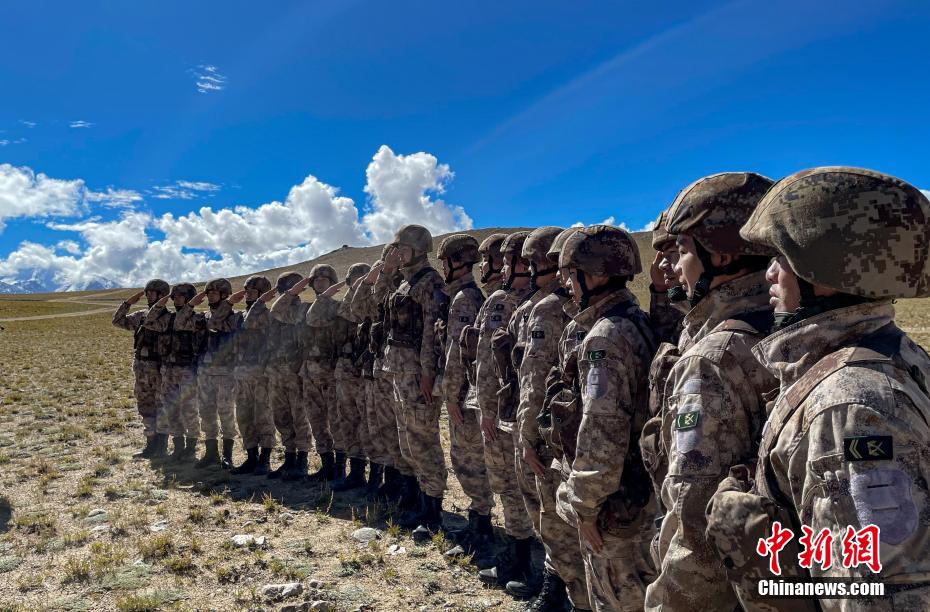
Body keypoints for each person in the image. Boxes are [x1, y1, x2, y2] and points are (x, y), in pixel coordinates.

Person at [706, 166, 930, 611]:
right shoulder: (897, 351)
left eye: (781, 258)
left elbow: (871, 594)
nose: (769, 275)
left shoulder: (847, 405)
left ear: (824, 270)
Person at [645, 172, 778, 611]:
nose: (674, 266)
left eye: (683, 250)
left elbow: (694, 523)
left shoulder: (712, 357)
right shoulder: (793, 327)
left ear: (720, 255)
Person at [553, 225, 658, 611]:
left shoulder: (604, 338)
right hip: (637, 492)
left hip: (613, 504)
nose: (565, 282)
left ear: (595, 275)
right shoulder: (636, 319)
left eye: (571, 272)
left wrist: (585, 508)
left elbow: (602, 431)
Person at [515, 227, 592, 610]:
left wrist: (527, 435)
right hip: (573, 430)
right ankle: (561, 588)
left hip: (552, 431)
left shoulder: (548, 309)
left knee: (554, 516)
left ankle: (564, 594)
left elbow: (534, 378)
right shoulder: (581, 307)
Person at [476, 230, 538, 589]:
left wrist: (490, 408)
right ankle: (518, 552)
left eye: (504, 262)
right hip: (505, 409)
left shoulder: (532, 306)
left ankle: (524, 561)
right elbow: (487, 360)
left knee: (519, 487)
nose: (497, 268)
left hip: (515, 413)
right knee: (510, 484)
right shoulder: (511, 301)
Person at [381, 225, 449, 536]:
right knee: (406, 440)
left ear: (420, 250)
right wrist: (387, 271)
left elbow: (432, 333)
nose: (399, 254)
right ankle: (414, 500)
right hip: (399, 371)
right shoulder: (404, 283)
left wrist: (427, 373)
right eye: (397, 249)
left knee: (423, 441)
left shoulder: (430, 282)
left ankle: (432, 511)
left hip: (417, 373)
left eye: (404, 250)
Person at [435, 233, 496, 562]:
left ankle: (481, 529)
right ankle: (479, 521)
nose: (442, 268)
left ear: (457, 262)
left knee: (468, 461)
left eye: (445, 262)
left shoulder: (464, 299)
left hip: (464, 394)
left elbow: (457, 353)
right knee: (468, 460)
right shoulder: (466, 295)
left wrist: (451, 394)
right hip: (468, 391)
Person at [348, 248, 417, 503]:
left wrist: (388, 273)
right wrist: (374, 276)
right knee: (380, 428)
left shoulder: (408, 287)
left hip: (400, 368)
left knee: (400, 430)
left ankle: (407, 486)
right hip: (376, 367)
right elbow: (356, 308)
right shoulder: (380, 291)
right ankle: (389, 480)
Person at [112, 279, 171, 458]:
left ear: (162, 295)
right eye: (147, 292)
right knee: (145, 406)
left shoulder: (169, 318)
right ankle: (150, 445)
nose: (148, 296)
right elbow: (117, 321)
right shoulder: (140, 315)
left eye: (152, 293)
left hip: (159, 369)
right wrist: (128, 303)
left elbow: (153, 323)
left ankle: (161, 447)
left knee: (161, 407)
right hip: (141, 368)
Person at [263, 272, 311, 480]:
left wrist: (291, 294)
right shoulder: (275, 312)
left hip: (295, 373)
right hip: (276, 372)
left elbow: (280, 311)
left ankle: (302, 460)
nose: (285, 293)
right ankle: (289, 458)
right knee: (281, 418)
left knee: (299, 418)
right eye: (283, 289)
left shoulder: (303, 310)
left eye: (290, 289)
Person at [230, 275, 276, 475]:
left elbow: (251, 324)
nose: (248, 295)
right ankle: (251, 457)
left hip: (260, 375)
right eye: (246, 291)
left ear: (262, 295)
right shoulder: (240, 315)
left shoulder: (268, 315)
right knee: (244, 416)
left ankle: (264, 460)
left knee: (263, 416)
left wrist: (259, 303)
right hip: (241, 374)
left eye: (253, 292)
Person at [194, 278, 243, 469]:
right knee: (206, 412)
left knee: (226, 412)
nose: (210, 296)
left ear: (224, 295)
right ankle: (211, 453)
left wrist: (228, 304)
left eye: (215, 293)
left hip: (226, 373)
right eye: (208, 293)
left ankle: (227, 455)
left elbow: (216, 322)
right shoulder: (203, 316)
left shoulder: (235, 317)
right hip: (205, 372)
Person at [152, 283, 202, 463]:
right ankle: (178, 446)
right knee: (171, 409)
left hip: (188, 370)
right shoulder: (168, 318)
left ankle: (191, 447)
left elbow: (182, 323)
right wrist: (161, 302)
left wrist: (189, 307)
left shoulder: (197, 319)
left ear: (189, 298)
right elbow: (150, 320)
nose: (176, 300)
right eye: (174, 297)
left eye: (181, 296)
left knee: (189, 410)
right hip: (169, 370)